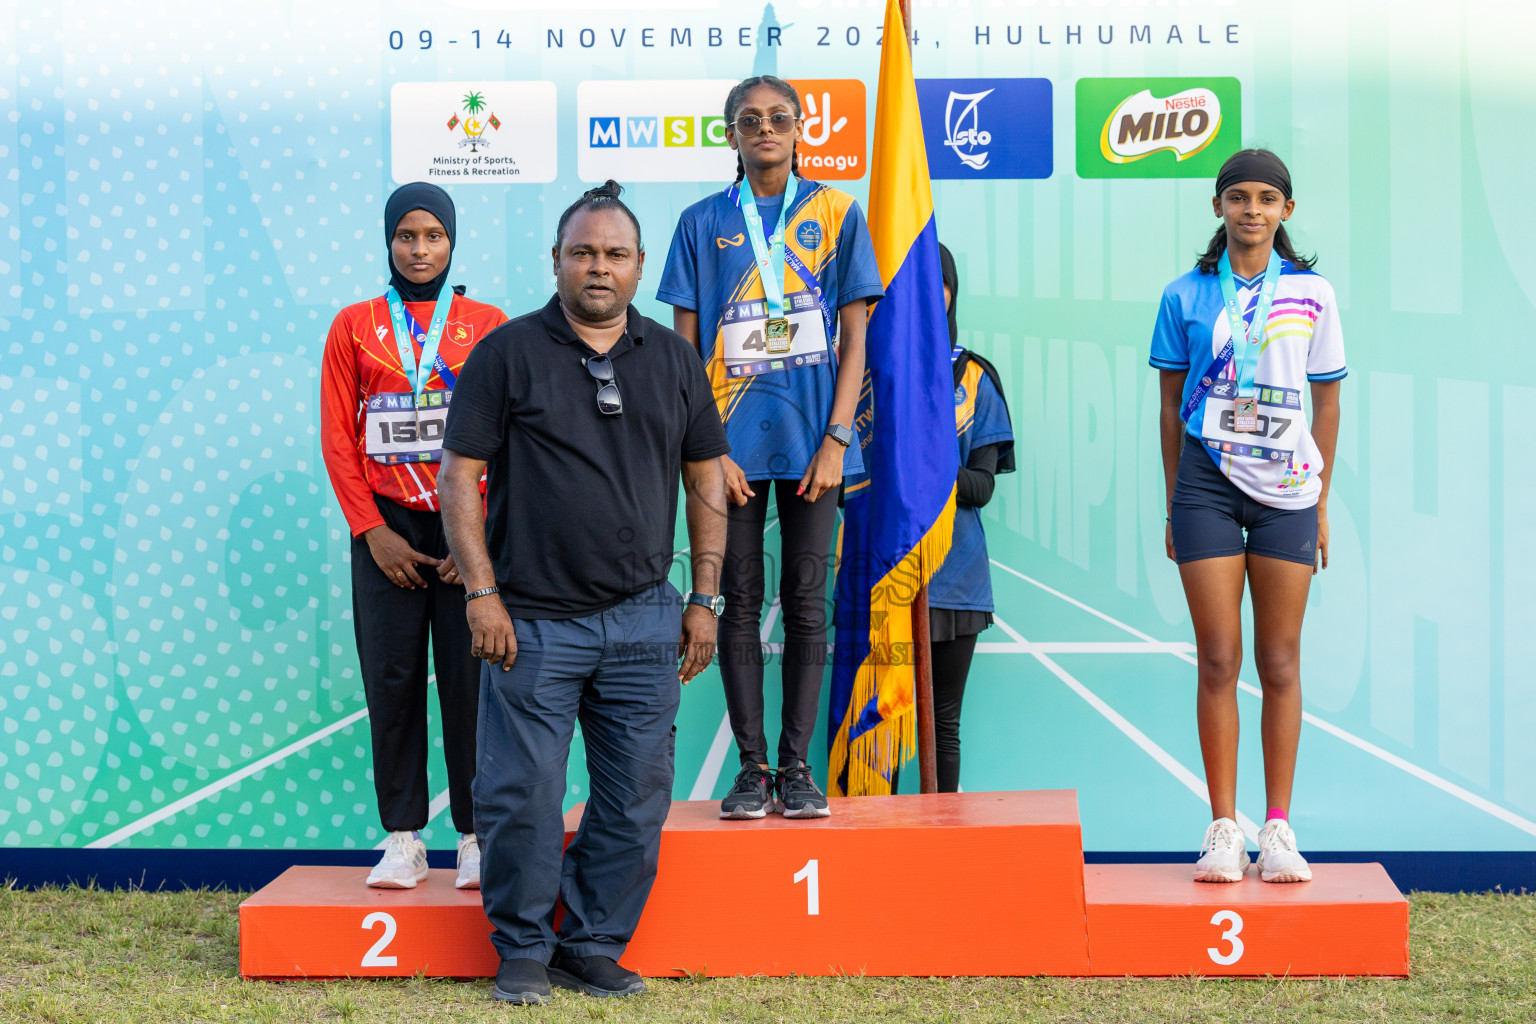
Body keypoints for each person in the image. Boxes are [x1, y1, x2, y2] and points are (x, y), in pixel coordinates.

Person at [438, 181, 730, 1005]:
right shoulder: (507, 352)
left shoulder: (674, 360)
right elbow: (460, 475)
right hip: (529, 620)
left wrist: (703, 600)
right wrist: (480, 593)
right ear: (556, 261)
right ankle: (524, 948)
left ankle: (593, 941)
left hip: (644, 617)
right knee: (521, 794)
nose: (598, 267)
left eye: (615, 254)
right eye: (583, 252)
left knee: (636, 794)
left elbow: (706, 479)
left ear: (640, 268)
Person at [658, 75, 883, 820]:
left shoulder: (839, 214)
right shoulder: (699, 223)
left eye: (778, 119)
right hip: (729, 451)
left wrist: (836, 439)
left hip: (818, 447)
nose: (764, 130)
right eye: (749, 120)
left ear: (799, 130)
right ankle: (752, 770)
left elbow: (857, 340)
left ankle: (798, 769)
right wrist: (708, 447)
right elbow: (685, 352)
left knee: (809, 603)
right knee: (740, 602)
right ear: (731, 134)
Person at [1150, 149, 1345, 884]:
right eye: (1238, 197)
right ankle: (1224, 828)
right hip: (1205, 480)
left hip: (1288, 489)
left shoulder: (1313, 293)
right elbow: (1169, 408)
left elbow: (1327, 401)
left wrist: (1321, 502)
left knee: (1281, 660)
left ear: (1286, 211)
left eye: (1267, 198)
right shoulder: (1184, 295)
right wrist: (1174, 499)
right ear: (1218, 208)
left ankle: (1280, 829)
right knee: (1220, 658)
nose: (1252, 210)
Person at [319, 181, 506, 890]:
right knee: (392, 680)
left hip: (466, 524)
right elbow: (339, 438)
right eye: (407, 236)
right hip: (386, 531)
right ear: (389, 241)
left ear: (452, 241)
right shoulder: (355, 325)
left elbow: (510, 435)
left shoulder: (488, 324)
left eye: (433, 236)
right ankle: (402, 837)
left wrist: (477, 539)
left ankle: (475, 835)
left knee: (471, 683)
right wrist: (371, 531)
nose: (420, 249)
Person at [923, 243, 1015, 793]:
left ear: (952, 292)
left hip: (955, 581)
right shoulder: (862, 378)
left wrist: (920, 469)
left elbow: (979, 487)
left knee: (942, 725)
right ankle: (874, 857)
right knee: (871, 723)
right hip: (884, 575)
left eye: (936, 282)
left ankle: (938, 845)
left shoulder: (974, 377)